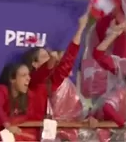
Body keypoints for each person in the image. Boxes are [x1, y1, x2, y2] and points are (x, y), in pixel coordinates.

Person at [23, 10, 91, 141]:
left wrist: (81, 29)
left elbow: (69, 59)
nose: (49, 58)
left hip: (64, 133)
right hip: (42, 134)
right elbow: (52, 67)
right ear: (34, 64)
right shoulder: (35, 81)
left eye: (48, 56)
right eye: (44, 57)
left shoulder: (54, 79)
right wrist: (53, 60)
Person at [0, 62, 41, 141]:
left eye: (28, 75)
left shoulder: (28, 96)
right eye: (23, 75)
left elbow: (32, 116)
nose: (28, 78)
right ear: (12, 79)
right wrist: (7, 124)